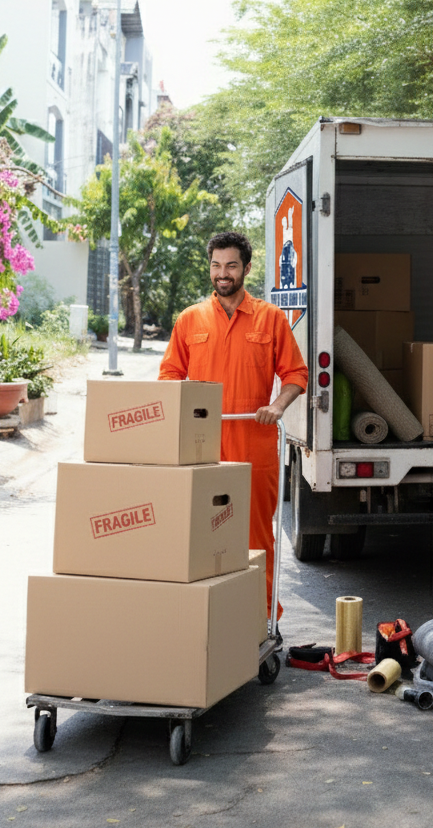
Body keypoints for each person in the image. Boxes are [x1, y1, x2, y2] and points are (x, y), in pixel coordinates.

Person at [158, 231, 308, 622]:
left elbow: (295, 374)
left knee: (257, 540)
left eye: (231, 266)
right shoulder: (190, 320)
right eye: (216, 265)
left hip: (253, 448)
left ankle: (261, 620)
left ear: (246, 268)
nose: (222, 274)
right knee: (200, 538)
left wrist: (276, 405)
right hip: (201, 448)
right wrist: (184, 397)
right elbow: (169, 375)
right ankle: (208, 620)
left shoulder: (271, 319)